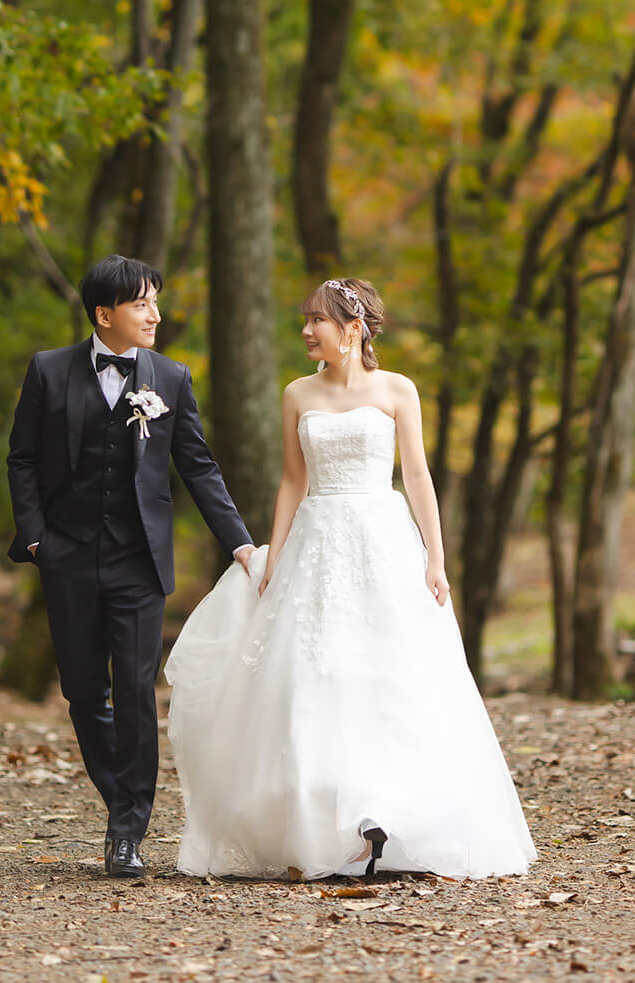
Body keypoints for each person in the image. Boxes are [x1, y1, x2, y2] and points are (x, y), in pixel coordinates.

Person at [164, 277, 536, 880]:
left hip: (382, 537)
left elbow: (416, 476)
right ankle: (327, 825)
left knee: (391, 669)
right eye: (305, 320)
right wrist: (274, 557)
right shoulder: (296, 394)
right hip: (316, 540)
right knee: (314, 673)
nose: (307, 330)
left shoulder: (398, 390)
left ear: (354, 327)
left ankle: (388, 816)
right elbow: (292, 480)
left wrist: (436, 559)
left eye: (318, 320)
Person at [6, 254, 254, 878]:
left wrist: (241, 544)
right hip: (66, 558)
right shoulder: (48, 370)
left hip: (139, 562)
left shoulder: (169, 378)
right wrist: (36, 538)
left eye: (154, 302)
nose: (155, 315)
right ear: (103, 314)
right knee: (85, 693)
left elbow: (198, 465)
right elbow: (23, 459)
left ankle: (127, 830)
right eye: (142, 303)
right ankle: (123, 796)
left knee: (138, 694)